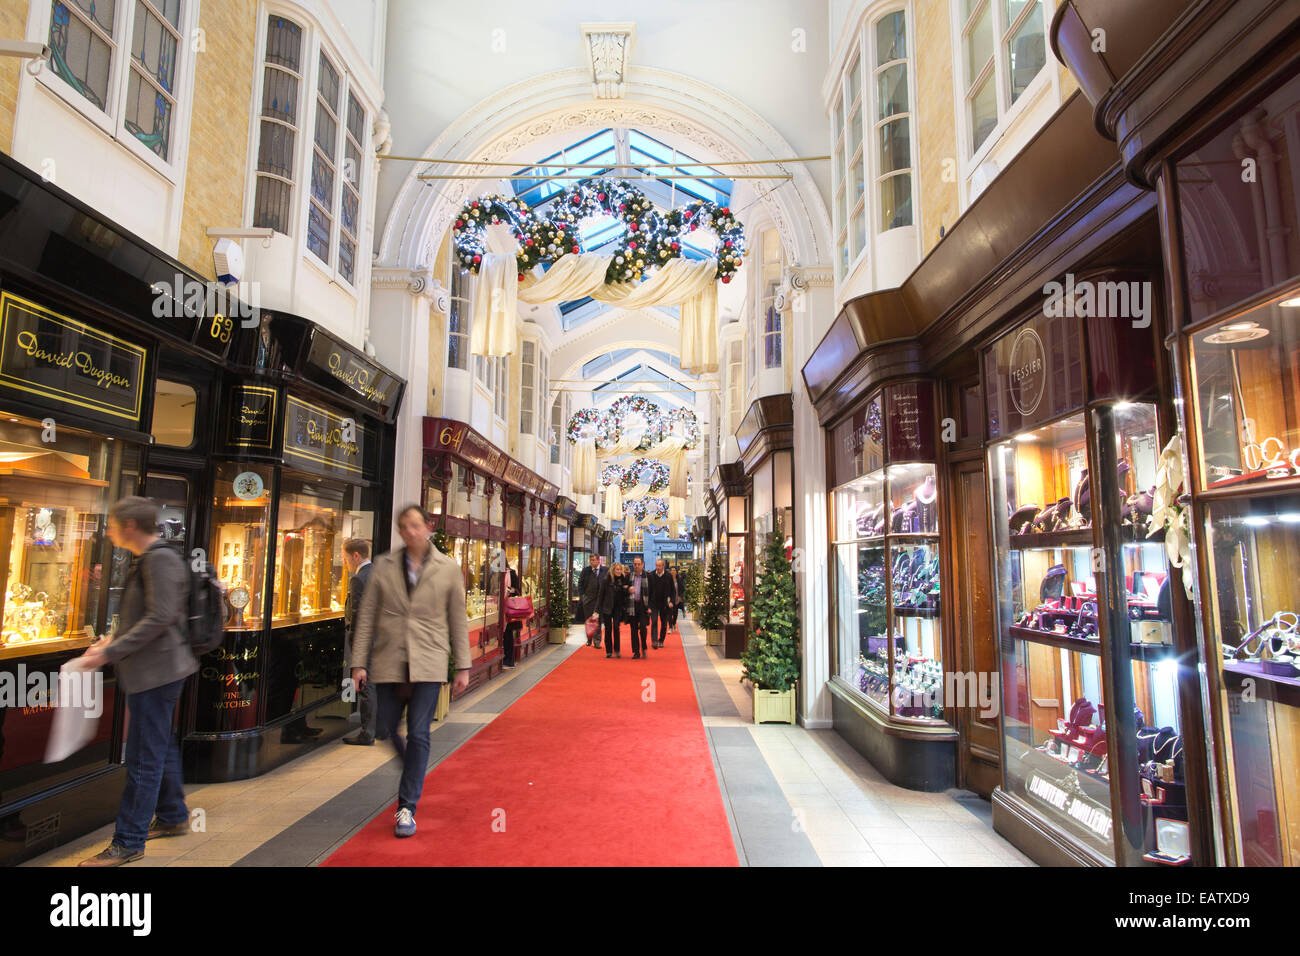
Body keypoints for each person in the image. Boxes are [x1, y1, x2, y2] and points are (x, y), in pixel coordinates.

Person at [77, 497, 199, 866]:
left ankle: (128, 841)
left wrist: (110, 652)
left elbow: (160, 617)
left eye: (113, 525)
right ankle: (173, 815)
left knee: (144, 758)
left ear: (130, 526)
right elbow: (153, 616)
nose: (110, 532)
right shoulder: (152, 559)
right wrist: (114, 642)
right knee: (159, 747)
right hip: (156, 670)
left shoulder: (159, 559)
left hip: (155, 673)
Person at [351, 504, 471, 838]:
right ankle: (414, 771)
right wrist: (358, 663)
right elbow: (367, 618)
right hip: (390, 661)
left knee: (419, 733)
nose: (411, 532)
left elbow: (458, 620)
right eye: (404, 527)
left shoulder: (447, 568)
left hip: (429, 662)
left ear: (427, 527)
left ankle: (407, 807)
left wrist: (463, 665)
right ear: (400, 531)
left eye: (416, 525)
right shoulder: (384, 567)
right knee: (385, 727)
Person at [342, 538, 376, 745]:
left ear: (356, 556)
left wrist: (356, 649)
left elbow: (358, 616)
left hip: (366, 641)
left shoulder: (359, 579)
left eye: (346, 559)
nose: (345, 563)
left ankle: (367, 732)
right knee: (373, 685)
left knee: (366, 686)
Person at [596, 563, 628, 658]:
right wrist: (596, 610)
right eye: (617, 569)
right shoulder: (606, 580)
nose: (618, 571)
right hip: (607, 607)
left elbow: (625, 595)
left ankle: (617, 650)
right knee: (608, 629)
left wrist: (626, 590)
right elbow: (600, 596)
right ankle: (609, 651)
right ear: (613, 570)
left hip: (618, 608)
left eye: (620, 569)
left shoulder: (623, 580)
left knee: (616, 628)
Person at [647, 557, 676, 650]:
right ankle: (654, 641)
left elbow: (673, 591)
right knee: (654, 621)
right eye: (657, 566)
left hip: (665, 604)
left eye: (659, 566)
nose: (658, 567)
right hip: (653, 603)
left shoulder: (668, 576)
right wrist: (647, 605)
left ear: (663, 566)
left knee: (664, 623)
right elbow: (648, 591)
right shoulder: (651, 575)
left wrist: (671, 601)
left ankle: (661, 640)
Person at [577, 554, 605, 647]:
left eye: (594, 560)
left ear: (598, 561)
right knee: (588, 620)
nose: (592, 562)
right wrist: (582, 597)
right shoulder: (586, 570)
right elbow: (580, 583)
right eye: (591, 560)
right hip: (588, 600)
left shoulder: (604, 570)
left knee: (598, 620)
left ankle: (597, 642)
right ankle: (589, 639)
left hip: (599, 600)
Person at [626, 557, 651, 659]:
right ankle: (636, 651)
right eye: (635, 564)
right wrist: (628, 589)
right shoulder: (629, 576)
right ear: (633, 564)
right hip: (632, 606)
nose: (636, 566)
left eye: (638, 564)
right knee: (633, 630)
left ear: (643, 564)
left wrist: (650, 606)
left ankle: (644, 647)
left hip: (643, 606)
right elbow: (624, 589)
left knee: (643, 629)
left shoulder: (648, 577)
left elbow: (652, 593)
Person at [501, 556, 522, 668]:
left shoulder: (512, 574)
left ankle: (509, 660)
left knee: (508, 634)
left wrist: (511, 590)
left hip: (509, 609)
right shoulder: (494, 574)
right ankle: (502, 658)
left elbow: (518, 590)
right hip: (497, 607)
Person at [667, 565, 682, 633]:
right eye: (671, 570)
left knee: (675, 613)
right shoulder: (667, 579)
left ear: (676, 572)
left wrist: (680, 596)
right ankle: (670, 627)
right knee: (669, 613)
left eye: (674, 570)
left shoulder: (679, 579)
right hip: (669, 599)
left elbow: (682, 588)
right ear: (670, 572)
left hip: (676, 599)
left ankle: (673, 624)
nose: (673, 572)